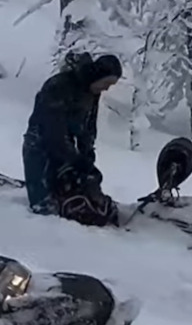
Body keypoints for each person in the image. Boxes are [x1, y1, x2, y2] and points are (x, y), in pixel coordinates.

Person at [22, 52, 123, 227]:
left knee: (72, 195)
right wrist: (76, 161)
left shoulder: (92, 91)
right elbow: (52, 131)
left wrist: (87, 155)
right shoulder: (59, 86)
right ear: (97, 75)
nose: (106, 89)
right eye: (106, 83)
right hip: (40, 147)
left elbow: (88, 128)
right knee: (44, 209)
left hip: (64, 148)